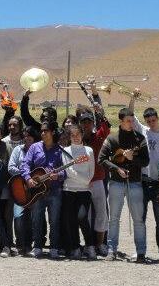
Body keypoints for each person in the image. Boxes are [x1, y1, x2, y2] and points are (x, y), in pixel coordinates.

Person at [99, 108, 149, 262]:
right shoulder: (111, 139)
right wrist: (117, 169)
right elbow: (101, 159)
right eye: (128, 121)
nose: (131, 123)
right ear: (121, 122)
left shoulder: (140, 138)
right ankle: (112, 250)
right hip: (116, 182)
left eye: (132, 120)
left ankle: (141, 252)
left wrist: (133, 159)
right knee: (114, 218)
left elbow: (146, 161)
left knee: (138, 219)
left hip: (135, 183)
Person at [133, 104, 159, 260]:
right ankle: (140, 250)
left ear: (157, 119)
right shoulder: (143, 131)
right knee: (140, 218)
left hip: (158, 183)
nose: (151, 123)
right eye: (148, 121)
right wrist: (133, 99)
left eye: (153, 120)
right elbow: (131, 116)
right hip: (143, 181)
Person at [21, 121, 64, 258]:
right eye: (42, 131)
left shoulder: (60, 150)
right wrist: (28, 178)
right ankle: (38, 246)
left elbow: (65, 171)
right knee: (37, 219)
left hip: (54, 190)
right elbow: (25, 164)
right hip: (37, 191)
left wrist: (58, 175)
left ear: (52, 132)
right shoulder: (34, 147)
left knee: (54, 220)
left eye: (46, 131)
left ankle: (54, 247)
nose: (43, 133)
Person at [60, 124, 96, 259]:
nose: (75, 137)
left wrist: (86, 181)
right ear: (69, 137)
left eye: (78, 134)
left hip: (84, 191)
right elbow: (69, 171)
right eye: (73, 135)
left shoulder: (89, 151)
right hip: (69, 190)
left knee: (82, 217)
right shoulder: (66, 151)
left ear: (82, 135)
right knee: (71, 220)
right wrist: (85, 180)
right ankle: (76, 248)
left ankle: (90, 246)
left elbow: (91, 171)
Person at [81, 99, 111, 256]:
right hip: (82, 182)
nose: (86, 125)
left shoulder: (98, 137)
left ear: (93, 123)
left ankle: (100, 244)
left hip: (98, 180)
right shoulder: (77, 140)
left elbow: (106, 128)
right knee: (85, 215)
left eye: (89, 122)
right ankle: (89, 244)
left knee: (101, 213)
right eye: (83, 122)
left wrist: (100, 112)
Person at [8, 126, 38, 254]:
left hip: (35, 189)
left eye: (29, 136)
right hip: (20, 187)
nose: (26, 138)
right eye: (24, 136)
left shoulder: (39, 150)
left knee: (33, 217)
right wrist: (25, 175)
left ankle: (29, 244)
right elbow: (11, 167)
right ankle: (20, 243)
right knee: (18, 216)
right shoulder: (17, 150)